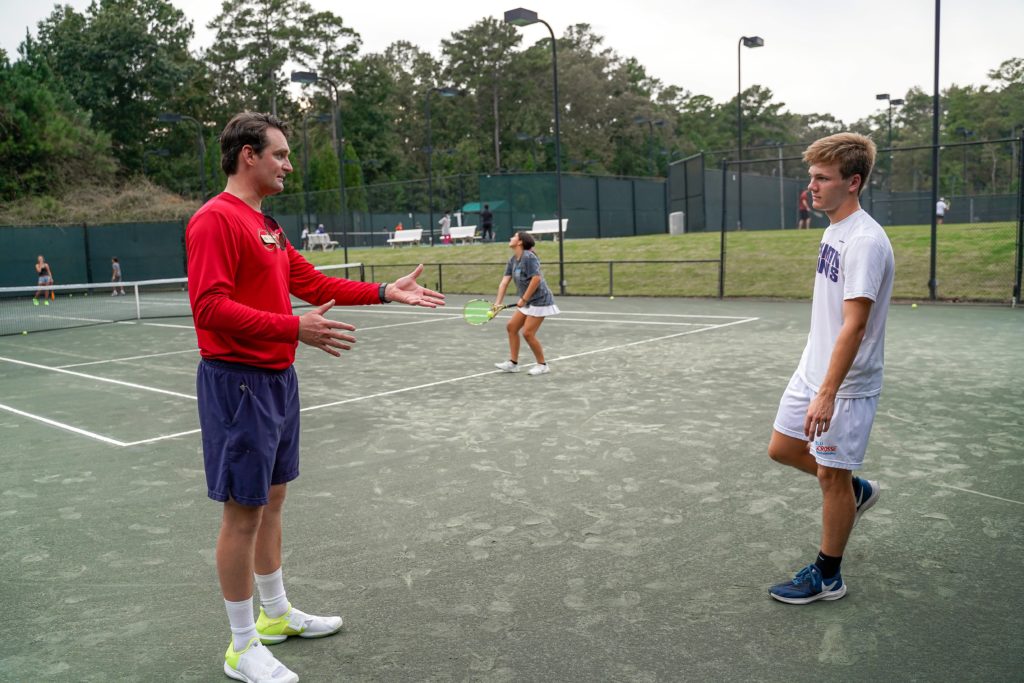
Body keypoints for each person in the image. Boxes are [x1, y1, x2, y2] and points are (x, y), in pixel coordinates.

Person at [186, 112, 445, 683]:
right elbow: (208, 308)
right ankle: (240, 645)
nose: (288, 164)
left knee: (272, 499)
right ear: (247, 155)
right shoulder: (214, 221)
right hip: (238, 380)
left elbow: (314, 283)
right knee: (242, 511)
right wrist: (292, 328)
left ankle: (276, 616)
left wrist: (383, 291)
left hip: (277, 378)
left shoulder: (269, 227)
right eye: (279, 154)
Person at [766, 132, 894, 605]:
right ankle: (856, 491)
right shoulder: (831, 230)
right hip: (812, 370)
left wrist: (827, 392)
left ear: (853, 182)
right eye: (811, 177)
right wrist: (813, 380)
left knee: (829, 476)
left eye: (823, 178)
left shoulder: (864, 242)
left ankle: (828, 575)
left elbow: (854, 326)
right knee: (782, 448)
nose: (812, 187)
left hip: (845, 384)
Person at [492, 231, 559, 376]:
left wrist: (524, 299)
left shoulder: (529, 257)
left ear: (520, 242)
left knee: (528, 333)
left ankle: (542, 365)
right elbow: (504, 282)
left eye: (513, 236)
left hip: (540, 301)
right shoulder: (513, 260)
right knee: (511, 327)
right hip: (528, 301)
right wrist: (497, 304)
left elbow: (536, 279)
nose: (510, 238)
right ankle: (513, 364)